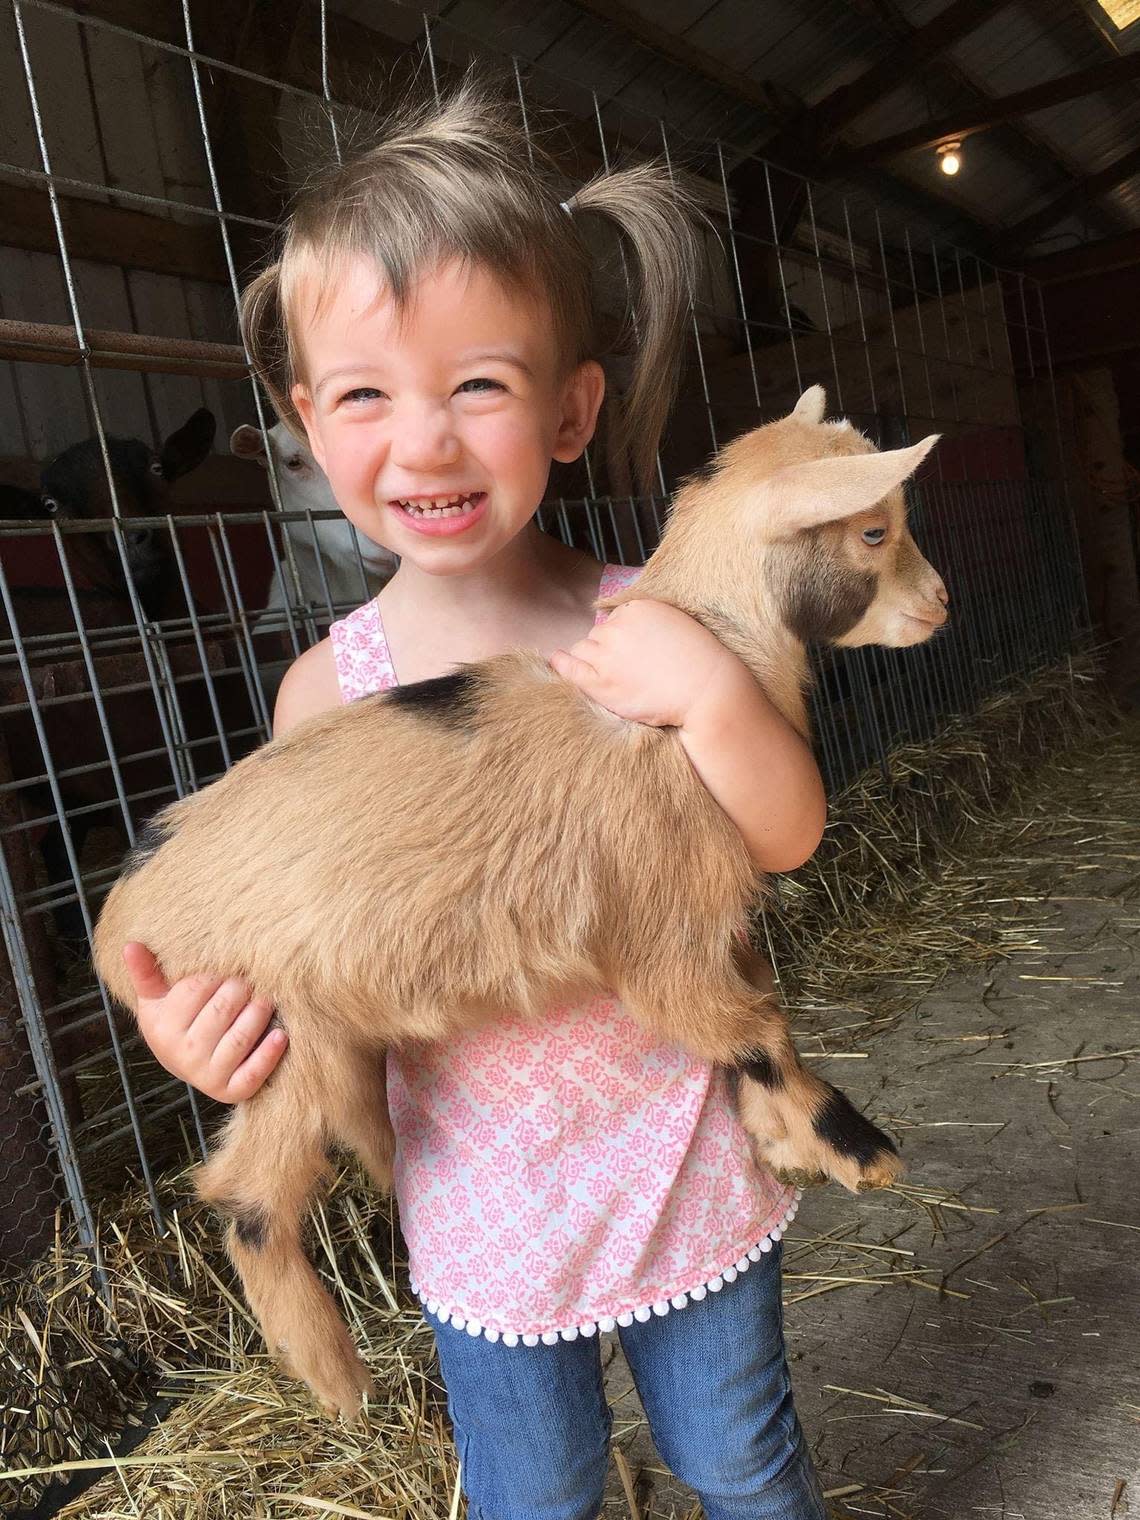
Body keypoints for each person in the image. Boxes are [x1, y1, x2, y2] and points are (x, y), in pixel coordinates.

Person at [122, 77, 831, 1520]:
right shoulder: (329, 693)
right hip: (481, 1196)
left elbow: (787, 835)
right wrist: (202, 1029)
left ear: (574, 412)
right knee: (531, 1490)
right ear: (308, 423)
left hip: (678, 1152)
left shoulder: (653, 624)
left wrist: (707, 696)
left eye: (479, 387)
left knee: (739, 1455)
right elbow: (286, 934)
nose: (426, 440)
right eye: (369, 394)